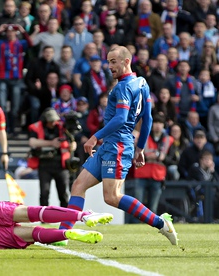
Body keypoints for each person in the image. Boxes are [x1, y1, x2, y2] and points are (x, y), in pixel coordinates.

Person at [59, 46, 179, 246]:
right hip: (112, 145)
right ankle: (62, 235)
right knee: (78, 185)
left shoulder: (123, 87)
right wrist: (140, 148)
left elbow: (122, 118)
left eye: (114, 61)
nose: (110, 66)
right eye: (108, 62)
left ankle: (161, 223)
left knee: (112, 197)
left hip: (118, 146)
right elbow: (147, 118)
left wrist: (95, 137)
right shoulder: (142, 83)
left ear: (126, 61)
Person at [28, 108, 75, 208]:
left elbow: (72, 140)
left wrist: (72, 145)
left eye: (55, 120)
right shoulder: (36, 127)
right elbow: (32, 142)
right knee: (44, 192)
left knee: (63, 193)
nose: (53, 123)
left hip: (61, 165)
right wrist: (52, 143)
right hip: (44, 164)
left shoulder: (62, 128)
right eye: (51, 121)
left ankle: (66, 217)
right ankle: (44, 217)